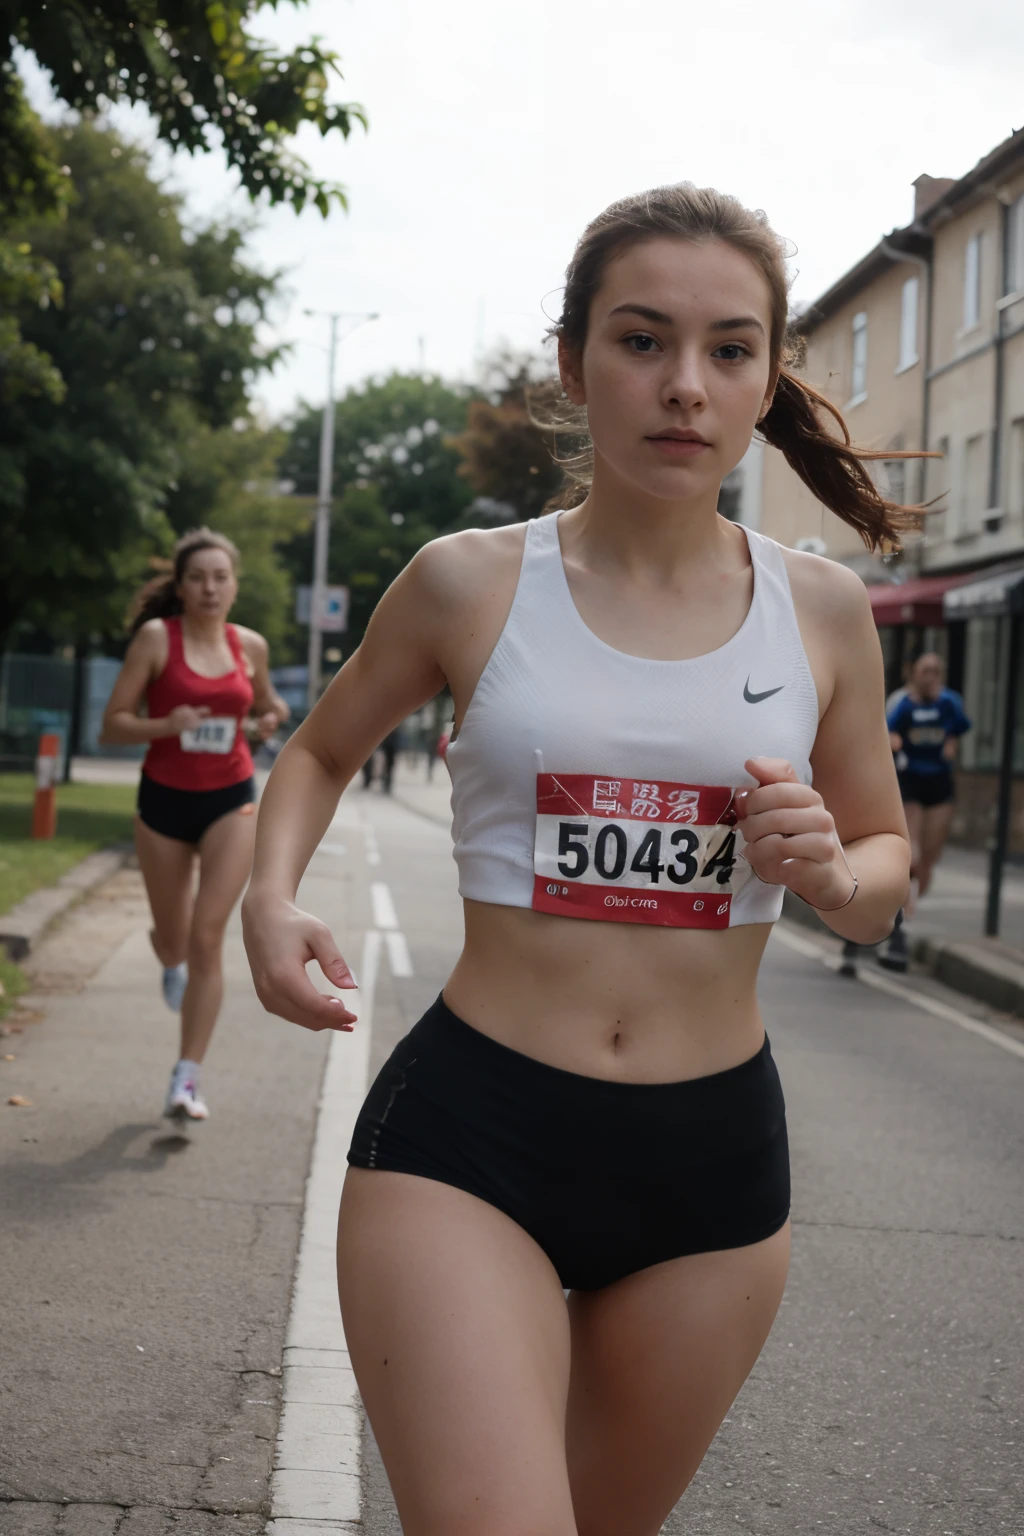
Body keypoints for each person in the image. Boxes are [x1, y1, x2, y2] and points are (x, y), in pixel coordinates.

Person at [242, 184, 915, 1536]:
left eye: (730, 350)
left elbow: (884, 852)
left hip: (712, 1172)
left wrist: (838, 874)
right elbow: (315, 753)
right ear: (572, 363)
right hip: (472, 1137)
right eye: (641, 340)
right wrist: (267, 900)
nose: (686, 387)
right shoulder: (467, 583)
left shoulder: (827, 615)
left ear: (767, 377)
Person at [102, 528, 289, 1122]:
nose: (210, 587)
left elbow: (270, 705)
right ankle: (169, 960)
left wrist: (268, 720)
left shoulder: (249, 646)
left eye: (220, 577)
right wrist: (166, 724)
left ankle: (186, 1078)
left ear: (234, 586)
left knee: (210, 935)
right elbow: (113, 724)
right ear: (180, 588)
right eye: (198, 577)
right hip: (163, 803)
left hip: (230, 799)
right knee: (175, 937)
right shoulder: (159, 639)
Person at [880, 651, 970, 971]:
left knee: (928, 863)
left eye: (937, 671)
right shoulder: (902, 704)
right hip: (910, 783)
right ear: (913, 673)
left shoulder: (949, 702)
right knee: (912, 855)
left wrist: (951, 745)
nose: (932, 676)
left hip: (939, 784)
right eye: (926, 670)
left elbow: (958, 730)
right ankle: (899, 924)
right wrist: (894, 742)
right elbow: (888, 733)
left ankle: (906, 902)